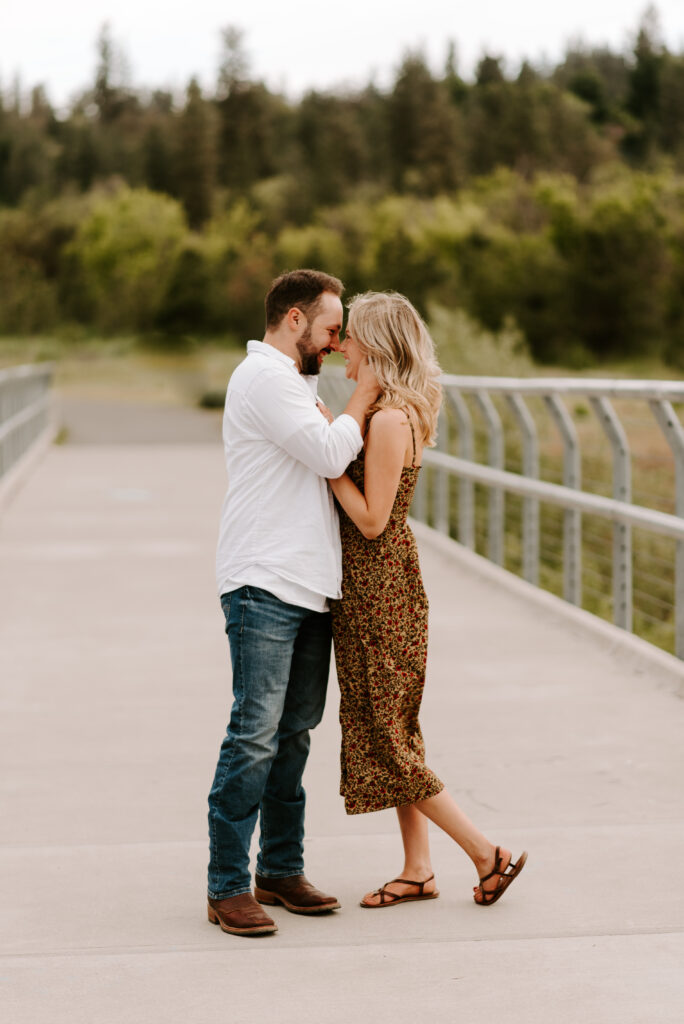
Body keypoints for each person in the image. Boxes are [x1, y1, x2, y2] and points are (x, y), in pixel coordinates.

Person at [328, 291, 527, 909]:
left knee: (387, 739)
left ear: (378, 347)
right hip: (378, 589)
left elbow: (370, 520)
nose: (341, 345)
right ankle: (418, 869)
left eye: (351, 335)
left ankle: (485, 853)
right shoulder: (390, 411)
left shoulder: (389, 420)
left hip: (380, 593)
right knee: (397, 732)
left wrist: (323, 461)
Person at [207, 269, 380, 937]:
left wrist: (340, 400)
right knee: (253, 735)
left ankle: (279, 870)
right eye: (333, 330)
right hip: (263, 579)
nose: (338, 345)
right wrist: (363, 392)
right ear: (296, 321)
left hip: (308, 583)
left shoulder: (298, 384)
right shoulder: (266, 379)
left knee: (293, 735)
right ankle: (226, 886)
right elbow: (333, 450)